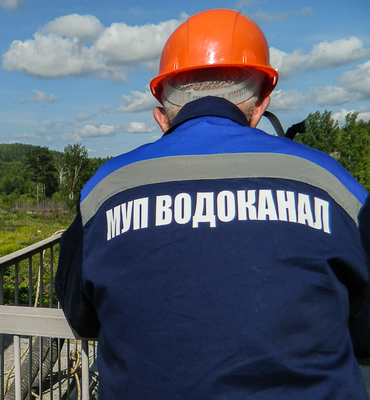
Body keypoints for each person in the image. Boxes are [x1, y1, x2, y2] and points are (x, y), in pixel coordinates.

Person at [55, 8, 370, 400]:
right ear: (261, 104)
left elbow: (82, 319)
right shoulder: (334, 185)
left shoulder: (104, 192)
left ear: (162, 116)